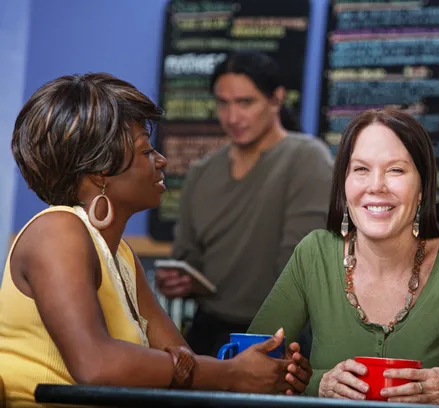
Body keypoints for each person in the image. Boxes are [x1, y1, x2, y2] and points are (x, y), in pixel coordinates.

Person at [0, 73, 311, 406]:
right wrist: (233, 374)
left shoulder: (118, 253)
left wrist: (263, 371)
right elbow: (96, 364)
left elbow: (185, 367)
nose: (160, 160)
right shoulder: (56, 231)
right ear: (100, 170)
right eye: (146, 151)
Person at [248, 108, 439, 407]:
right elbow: (248, 370)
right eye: (361, 169)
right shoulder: (314, 253)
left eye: (396, 170)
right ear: (343, 185)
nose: (376, 186)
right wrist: (319, 385)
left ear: (422, 189)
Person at [155, 51, 333, 357]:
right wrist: (178, 280)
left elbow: (299, 270)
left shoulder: (306, 159)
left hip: (278, 333)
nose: (233, 117)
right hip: (207, 332)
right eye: (223, 103)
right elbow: (188, 256)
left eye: (245, 102)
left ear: (276, 99)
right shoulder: (201, 173)